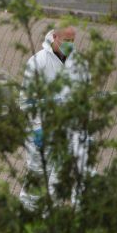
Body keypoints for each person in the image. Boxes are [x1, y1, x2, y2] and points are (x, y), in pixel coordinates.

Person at [19, 26, 86, 208]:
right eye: (66, 41)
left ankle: (50, 213)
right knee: (38, 172)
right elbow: (26, 99)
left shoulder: (77, 62)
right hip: (42, 127)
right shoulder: (38, 61)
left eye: (73, 41)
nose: (70, 45)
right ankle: (27, 211)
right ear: (55, 37)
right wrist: (37, 127)